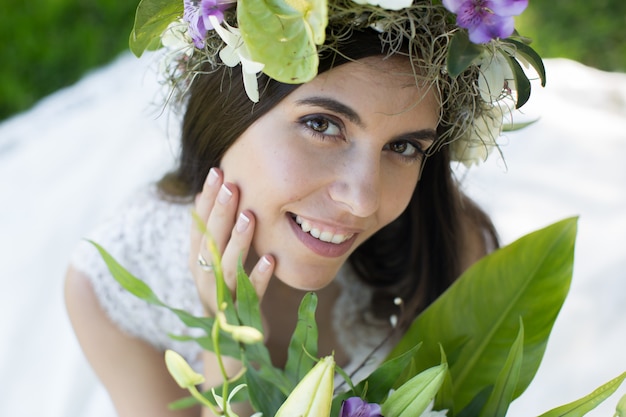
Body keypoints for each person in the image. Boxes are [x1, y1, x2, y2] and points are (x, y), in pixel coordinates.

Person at [65, 0, 538, 415]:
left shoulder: (450, 246)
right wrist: (229, 336)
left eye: (403, 148)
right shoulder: (112, 289)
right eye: (322, 124)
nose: (362, 199)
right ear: (226, 111)